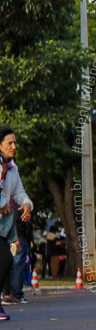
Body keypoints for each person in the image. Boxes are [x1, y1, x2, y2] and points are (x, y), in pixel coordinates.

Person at [0, 128, 32, 319]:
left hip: (3, 226)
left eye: (15, 143)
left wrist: (27, 204)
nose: (14, 146)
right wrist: (2, 204)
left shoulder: (12, 168)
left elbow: (19, 192)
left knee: (6, 261)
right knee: (5, 259)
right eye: (10, 143)